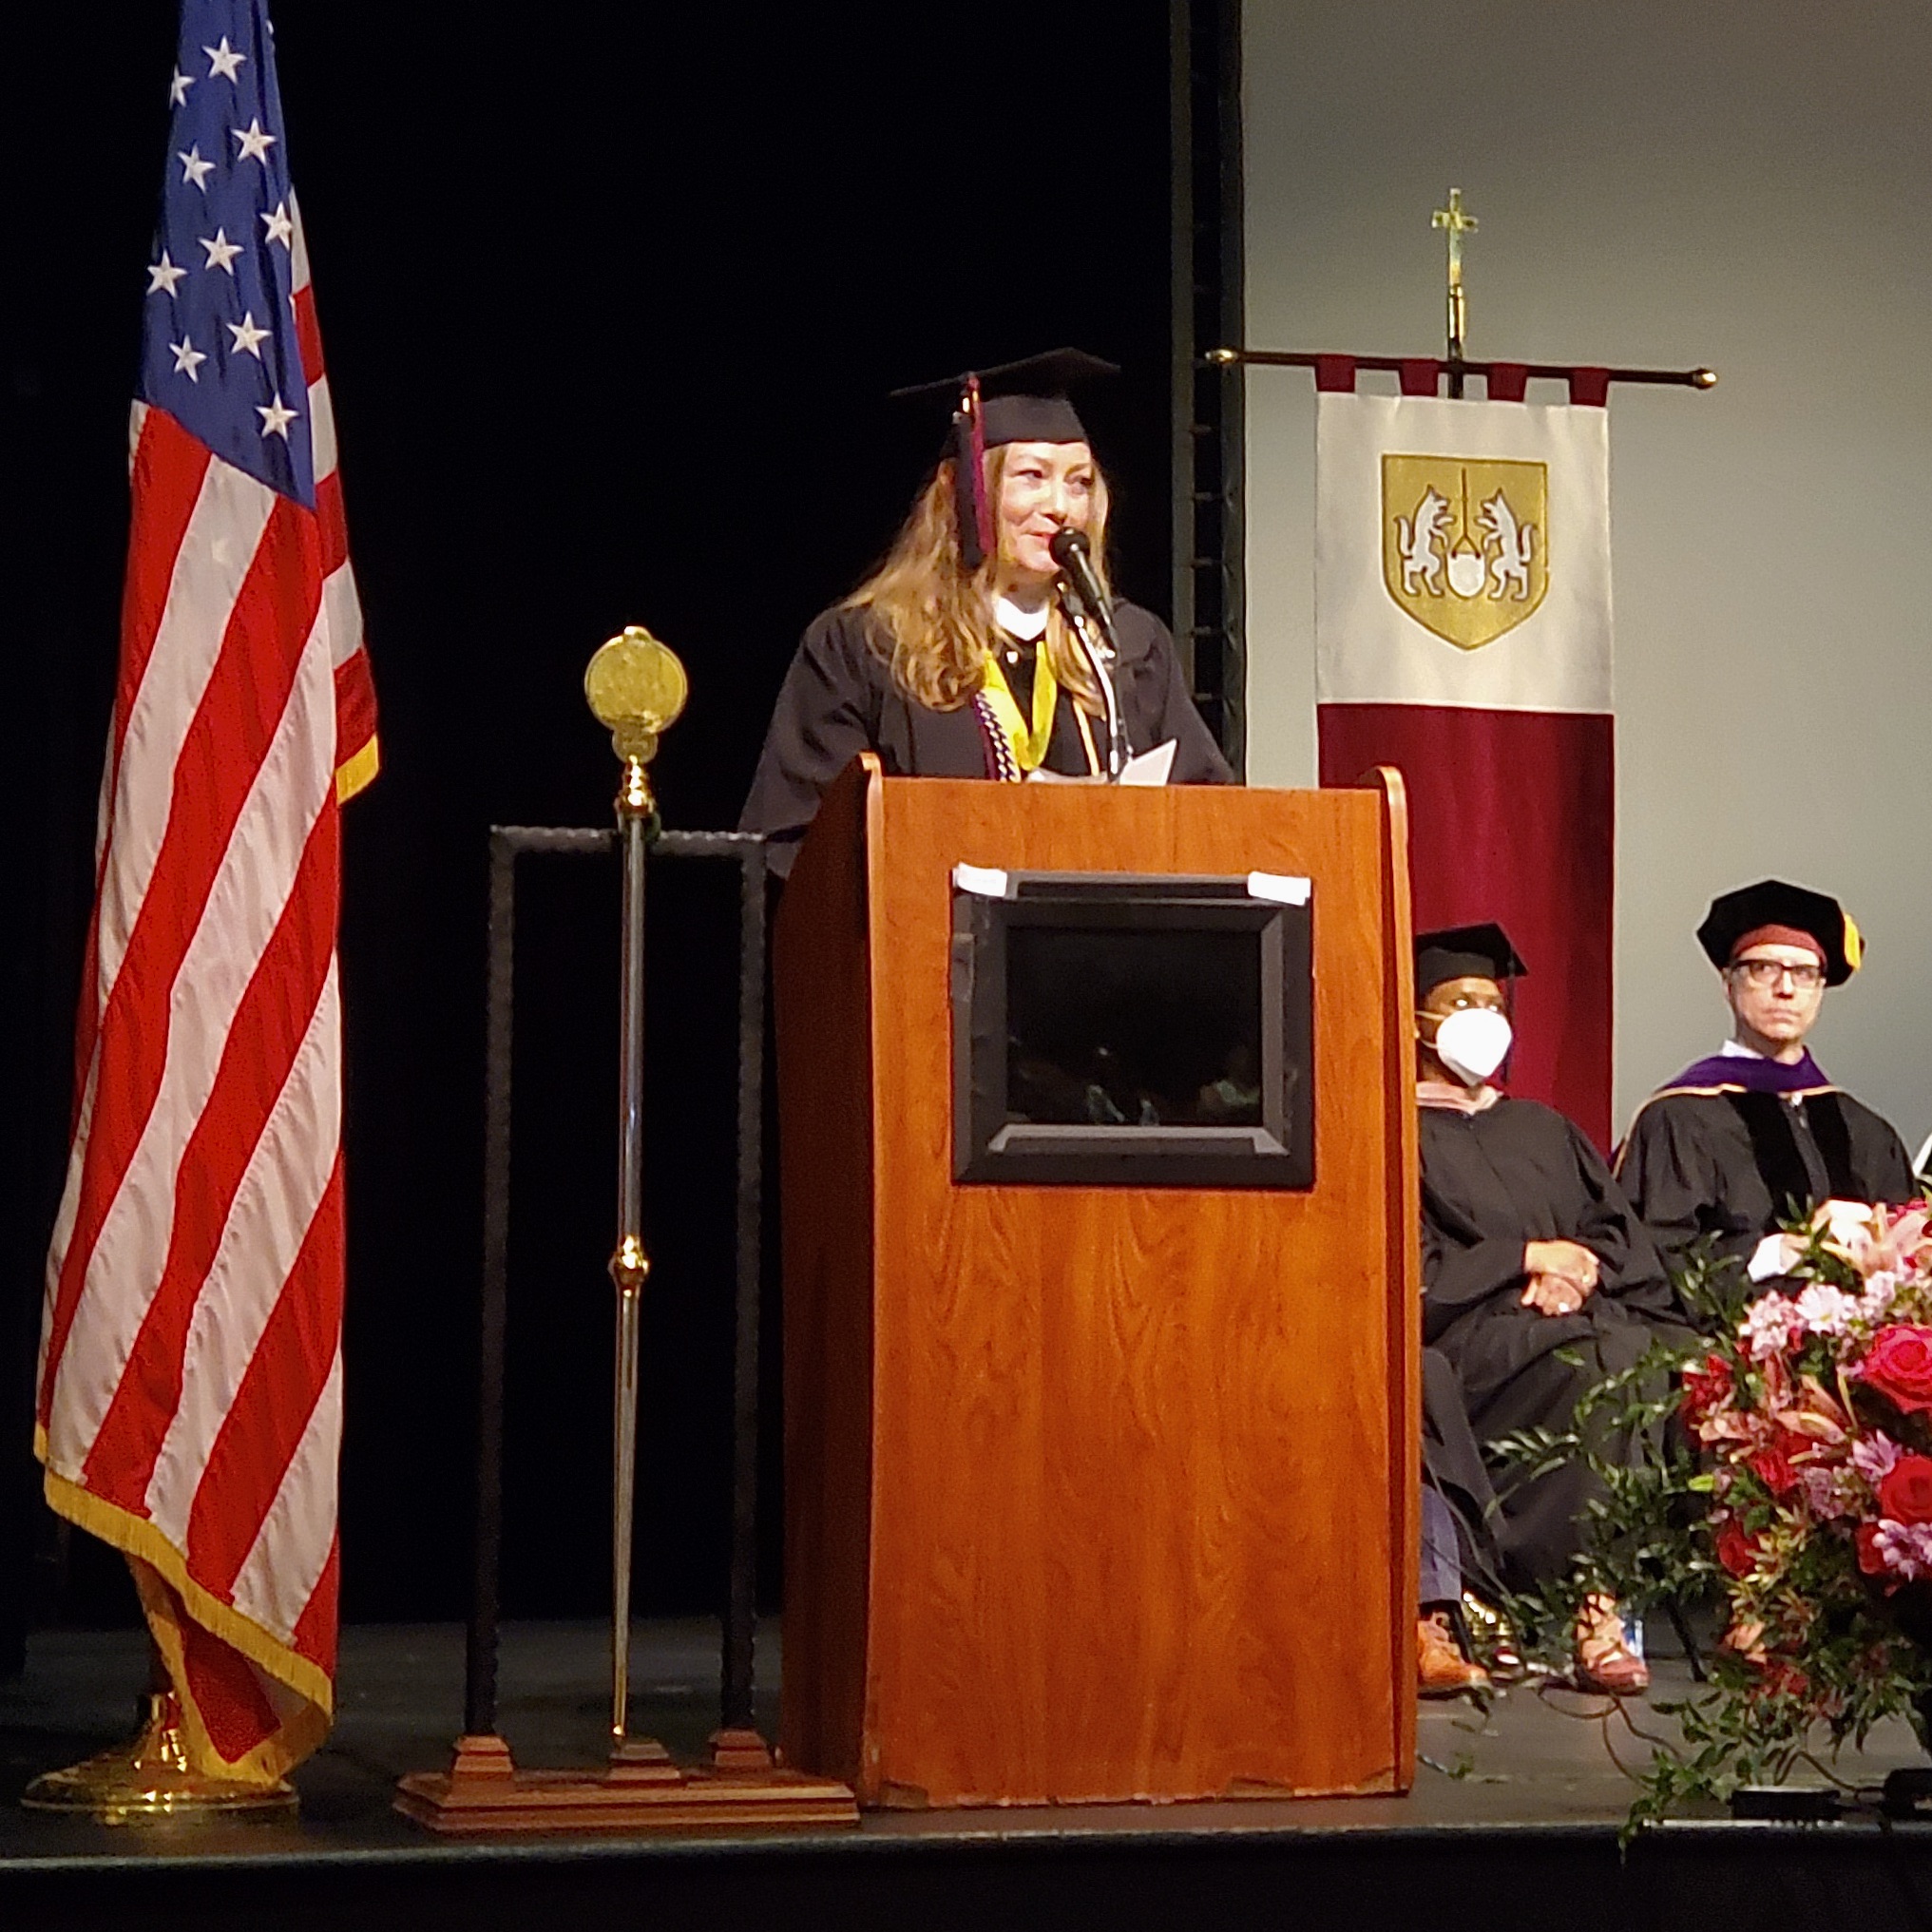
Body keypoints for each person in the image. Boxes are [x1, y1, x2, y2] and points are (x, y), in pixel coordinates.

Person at [740, 349, 1232, 870]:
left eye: (1079, 482)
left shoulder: (1125, 644)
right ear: (962, 491)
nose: (1061, 506)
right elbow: (799, 844)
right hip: (934, 941)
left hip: (1099, 941)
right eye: (1032, 476)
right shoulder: (869, 643)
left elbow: (1206, 812)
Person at [1415, 924, 1690, 1693]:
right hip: (1467, 1343)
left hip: (1566, 1330)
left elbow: (1615, 1238)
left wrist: (1580, 1271)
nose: (1481, 1016)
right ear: (1415, 1022)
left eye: (1492, 1002)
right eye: (1459, 1001)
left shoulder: (1542, 1127)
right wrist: (1525, 1258)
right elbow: (1403, 1266)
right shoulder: (1391, 1132)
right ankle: (1585, 1603)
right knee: (1611, 1357)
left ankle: (1593, 1603)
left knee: (1634, 1349)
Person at [1616, 880, 1916, 1283]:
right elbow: (1657, 1259)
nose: (1786, 988)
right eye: (1763, 969)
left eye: (1805, 973)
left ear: (1820, 990)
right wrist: (1781, 1251)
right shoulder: (1679, 1120)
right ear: (1728, 985)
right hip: (1722, 1343)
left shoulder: (1867, 1132)